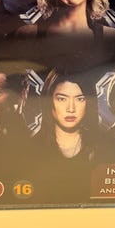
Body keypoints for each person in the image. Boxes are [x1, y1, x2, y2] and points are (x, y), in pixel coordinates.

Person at [29, 68, 100, 203]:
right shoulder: (31, 149)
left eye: (80, 99)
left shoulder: (104, 147)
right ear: (48, 101)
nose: (71, 108)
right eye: (62, 99)